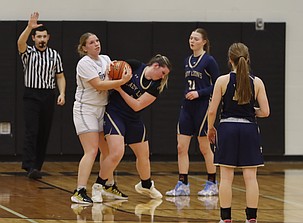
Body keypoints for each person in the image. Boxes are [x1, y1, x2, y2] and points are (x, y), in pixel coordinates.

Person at [93, 54, 172, 200]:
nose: (162, 77)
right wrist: (112, 77)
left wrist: (120, 89)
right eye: (162, 73)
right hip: (115, 113)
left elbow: (137, 106)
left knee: (143, 155)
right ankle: (98, 186)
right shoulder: (134, 65)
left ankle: (146, 185)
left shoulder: (155, 86)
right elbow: (111, 70)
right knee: (117, 152)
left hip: (133, 118)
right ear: (155, 66)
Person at [207, 42, 270, 223]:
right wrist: (250, 111)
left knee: (226, 178)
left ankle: (226, 218)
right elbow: (265, 112)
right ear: (247, 59)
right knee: (250, 178)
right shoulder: (257, 82)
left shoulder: (222, 80)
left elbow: (212, 111)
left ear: (230, 60)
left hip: (227, 128)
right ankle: (251, 218)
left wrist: (211, 128)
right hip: (249, 128)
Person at [71, 32, 132, 204]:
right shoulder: (84, 63)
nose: (96, 44)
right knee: (91, 150)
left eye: (97, 40)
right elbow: (98, 84)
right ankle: (79, 190)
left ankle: (108, 185)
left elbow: (113, 76)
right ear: (84, 48)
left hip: (102, 108)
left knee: (107, 151)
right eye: (91, 42)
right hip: (86, 109)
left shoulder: (106, 59)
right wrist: (122, 81)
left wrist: (123, 74)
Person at [166, 28, 220, 197]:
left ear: (204, 41)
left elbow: (218, 85)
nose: (192, 41)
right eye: (190, 38)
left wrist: (200, 93)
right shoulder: (187, 60)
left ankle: (212, 183)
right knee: (181, 147)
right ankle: (183, 184)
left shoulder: (209, 60)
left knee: (204, 147)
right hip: (187, 107)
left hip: (203, 107)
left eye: (196, 39)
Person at [17, 12, 66, 179]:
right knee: (32, 130)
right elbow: (19, 42)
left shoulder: (55, 55)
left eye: (44, 36)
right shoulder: (28, 52)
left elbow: (60, 76)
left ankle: (37, 166)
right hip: (31, 94)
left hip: (48, 94)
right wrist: (29, 27)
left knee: (44, 131)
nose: (42, 39)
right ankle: (29, 165)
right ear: (34, 38)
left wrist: (62, 93)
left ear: (48, 37)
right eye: (38, 36)